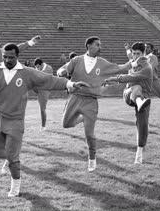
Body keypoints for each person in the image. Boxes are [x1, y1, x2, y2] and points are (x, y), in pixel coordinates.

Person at [0, 43, 87, 197]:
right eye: (5, 56)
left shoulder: (27, 73)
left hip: (15, 120)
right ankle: (10, 156)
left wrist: (70, 84)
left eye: (11, 57)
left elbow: (49, 80)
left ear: (17, 57)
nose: (8, 60)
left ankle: (15, 186)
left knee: (13, 157)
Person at [59, 36, 141, 172]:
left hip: (91, 101)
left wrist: (134, 62)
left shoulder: (102, 63)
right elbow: (62, 70)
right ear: (89, 46)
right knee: (66, 124)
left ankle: (92, 159)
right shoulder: (76, 60)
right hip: (74, 97)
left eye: (100, 45)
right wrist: (61, 72)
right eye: (97, 45)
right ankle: (82, 119)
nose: (100, 47)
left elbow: (120, 68)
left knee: (89, 134)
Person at [104, 42, 153, 164]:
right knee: (136, 87)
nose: (135, 56)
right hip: (128, 94)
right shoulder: (132, 62)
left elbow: (131, 77)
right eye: (134, 53)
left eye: (138, 54)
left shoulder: (147, 68)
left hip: (145, 97)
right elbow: (122, 70)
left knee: (142, 125)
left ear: (144, 53)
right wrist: (110, 76)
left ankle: (139, 153)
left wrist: (115, 78)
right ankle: (139, 101)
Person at [34, 58, 54, 131]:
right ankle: (43, 126)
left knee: (42, 109)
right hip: (39, 89)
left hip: (45, 90)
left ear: (41, 65)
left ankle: (43, 126)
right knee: (41, 108)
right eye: (36, 67)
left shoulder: (49, 69)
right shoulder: (38, 69)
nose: (37, 68)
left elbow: (47, 80)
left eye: (38, 67)